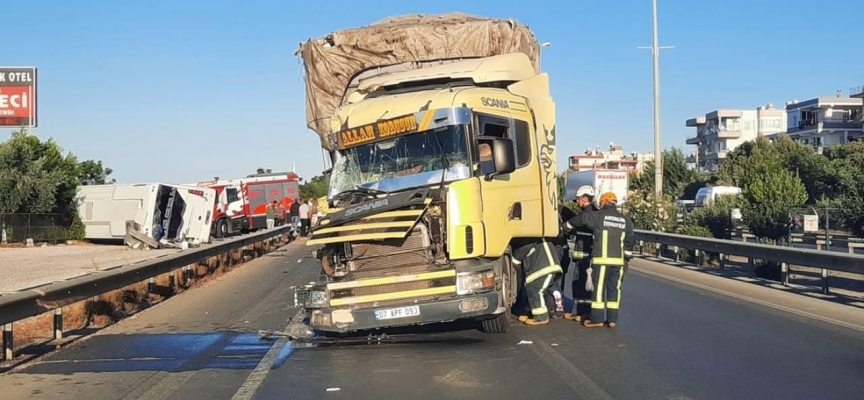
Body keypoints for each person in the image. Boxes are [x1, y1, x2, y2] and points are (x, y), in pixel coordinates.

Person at [566, 191, 634, 328]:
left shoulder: (599, 216)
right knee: (614, 289)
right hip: (618, 262)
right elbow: (629, 241)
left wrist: (566, 226)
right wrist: (626, 257)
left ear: (603, 202)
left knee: (598, 289)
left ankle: (597, 319)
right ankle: (612, 319)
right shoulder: (625, 220)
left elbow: (583, 219)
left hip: (601, 261)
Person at [563, 185, 598, 323]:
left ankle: (580, 312)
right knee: (590, 285)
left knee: (579, 283)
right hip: (593, 255)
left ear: (584, 198)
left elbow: (568, 226)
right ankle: (586, 312)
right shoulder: (598, 214)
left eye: (578, 199)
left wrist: (563, 228)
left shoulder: (584, 215)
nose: (577, 202)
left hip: (583, 256)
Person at [511, 239, 564, 326]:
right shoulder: (541, 236)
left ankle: (540, 317)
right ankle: (556, 309)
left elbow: (523, 250)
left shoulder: (529, 238)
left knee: (535, 290)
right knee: (551, 287)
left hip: (541, 269)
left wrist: (514, 261)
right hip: (553, 266)